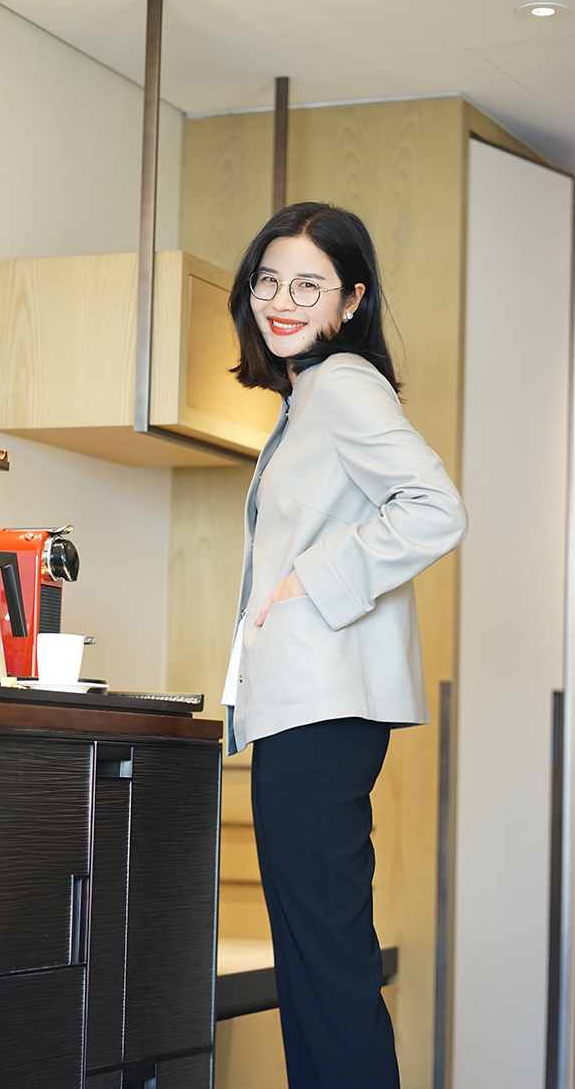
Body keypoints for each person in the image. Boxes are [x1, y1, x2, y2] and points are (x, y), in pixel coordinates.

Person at [221, 201, 467, 1088]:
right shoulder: (309, 398)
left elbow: (437, 509)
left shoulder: (343, 386)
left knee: (327, 973)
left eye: (308, 285)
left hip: (321, 713)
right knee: (317, 973)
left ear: (352, 299)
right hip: (308, 711)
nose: (280, 302)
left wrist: (311, 580)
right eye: (269, 280)